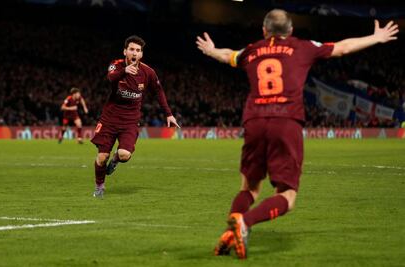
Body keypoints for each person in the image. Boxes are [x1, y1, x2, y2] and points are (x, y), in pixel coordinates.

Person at [196, 9, 398, 259]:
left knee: (249, 187)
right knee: (287, 196)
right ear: (290, 30)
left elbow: (228, 55)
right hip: (286, 121)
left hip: (255, 120)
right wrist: (375, 38)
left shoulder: (252, 49)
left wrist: (211, 50)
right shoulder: (302, 46)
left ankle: (232, 230)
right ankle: (244, 223)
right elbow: (342, 48)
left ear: (264, 31)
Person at [91, 35, 180, 198]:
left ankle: (116, 161)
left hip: (130, 121)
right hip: (109, 119)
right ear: (125, 51)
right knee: (102, 157)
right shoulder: (116, 66)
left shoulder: (148, 72)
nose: (134, 53)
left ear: (141, 55)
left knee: (125, 155)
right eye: (131, 49)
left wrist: (169, 114)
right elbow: (110, 78)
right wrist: (124, 71)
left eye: (138, 50)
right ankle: (99, 186)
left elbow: (158, 91)